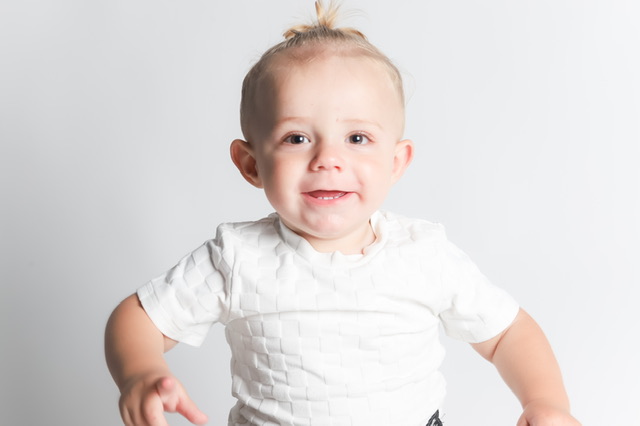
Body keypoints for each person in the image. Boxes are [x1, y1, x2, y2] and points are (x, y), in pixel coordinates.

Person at [105, 2, 581, 425]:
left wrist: (546, 401)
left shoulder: (424, 255)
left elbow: (507, 333)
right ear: (251, 164)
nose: (328, 159)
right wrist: (141, 373)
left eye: (357, 138)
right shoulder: (237, 258)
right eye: (296, 138)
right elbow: (139, 318)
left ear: (395, 162)